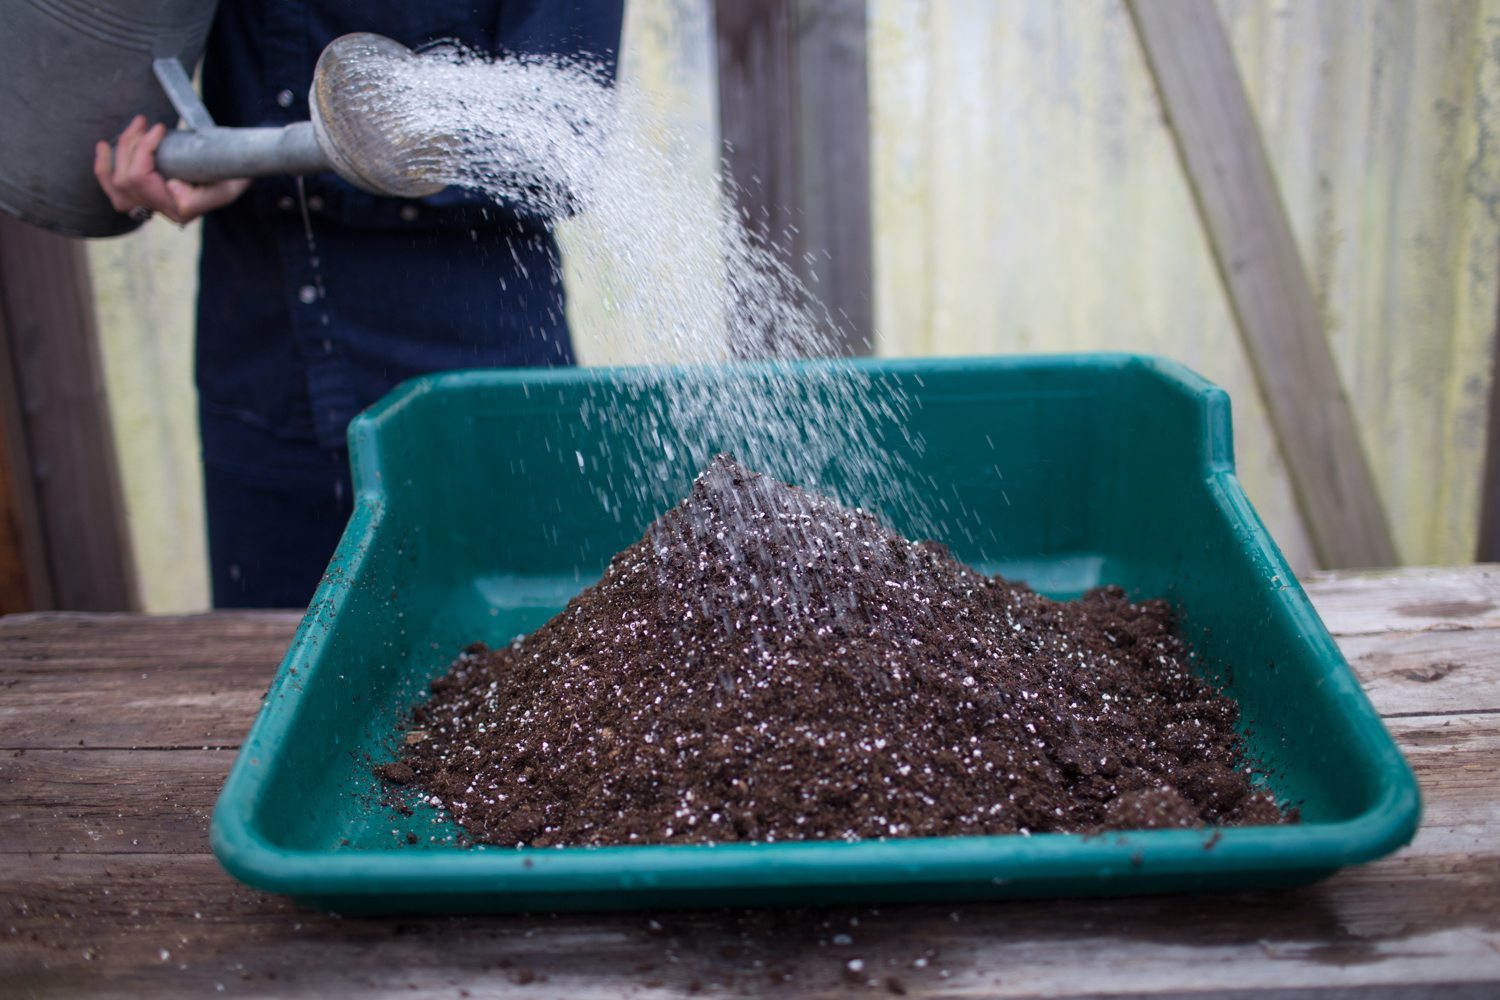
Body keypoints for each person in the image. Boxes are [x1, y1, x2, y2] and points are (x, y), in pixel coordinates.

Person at [94, 1, 624, 609]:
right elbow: (87, 68)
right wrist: (147, 155)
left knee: (529, 659)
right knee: (264, 670)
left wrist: (271, 156)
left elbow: (558, 154)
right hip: (265, 375)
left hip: (475, 383)